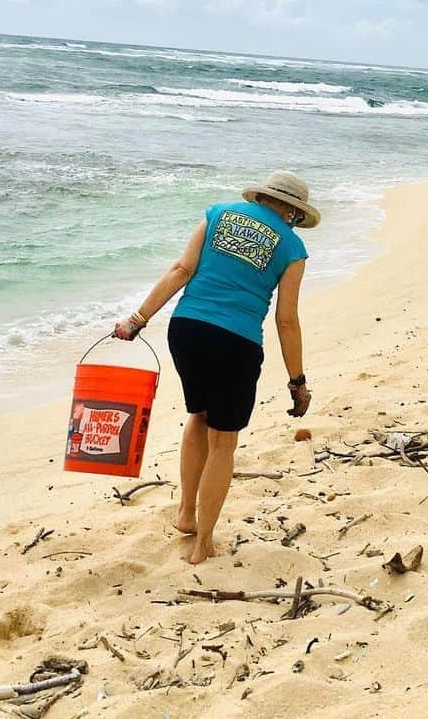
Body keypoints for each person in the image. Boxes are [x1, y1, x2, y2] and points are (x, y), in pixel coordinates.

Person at [113, 170, 317, 565]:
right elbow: (286, 319)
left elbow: (180, 271)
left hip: (187, 330)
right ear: (293, 211)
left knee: (199, 416)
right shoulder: (292, 247)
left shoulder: (219, 213)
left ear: (261, 198)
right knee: (224, 441)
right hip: (236, 343)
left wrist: (138, 319)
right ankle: (203, 543)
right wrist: (297, 381)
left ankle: (187, 514)